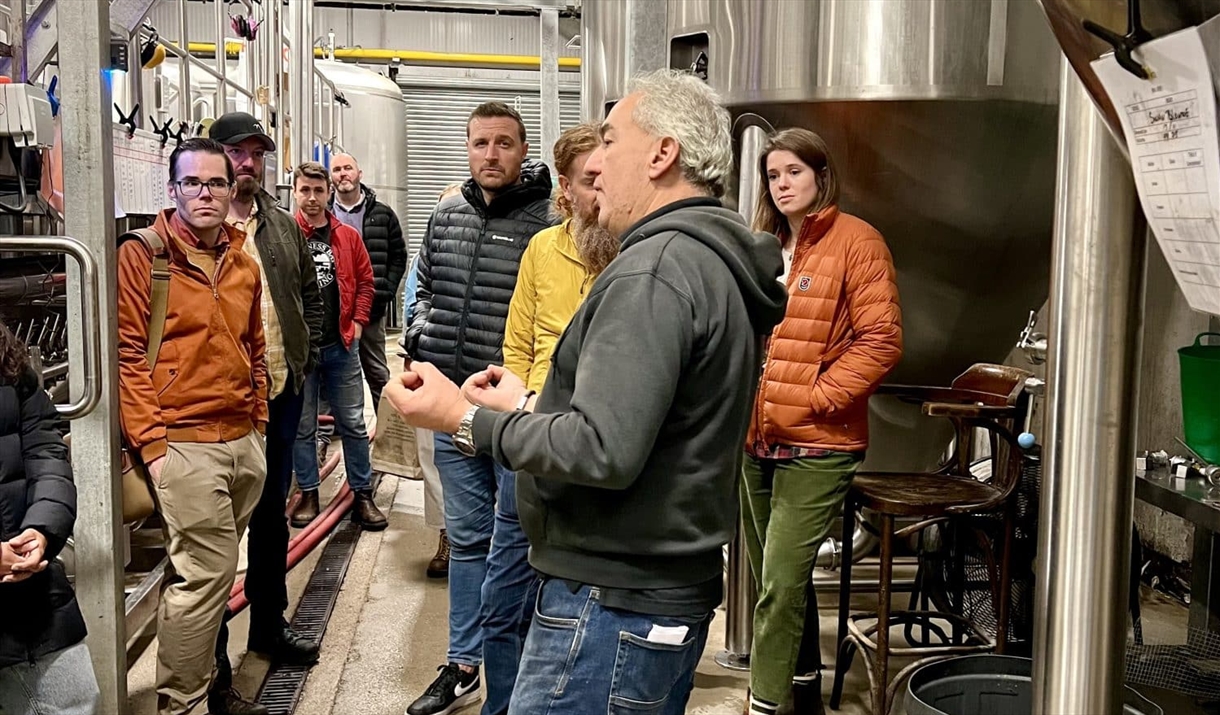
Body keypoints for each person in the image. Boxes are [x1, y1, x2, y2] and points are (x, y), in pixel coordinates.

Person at [385, 69, 789, 715]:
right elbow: (649, 422)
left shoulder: (656, 269)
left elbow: (602, 449)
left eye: (609, 140)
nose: (594, 164)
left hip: (612, 601)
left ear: (663, 154)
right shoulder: (706, 258)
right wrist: (523, 406)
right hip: (650, 586)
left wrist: (462, 417)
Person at [742, 128, 903, 715]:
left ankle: (762, 706)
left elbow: (881, 340)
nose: (782, 185)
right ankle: (803, 692)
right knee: (775, 583)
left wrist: (817, 397)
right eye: (773, 175)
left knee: (781, 586)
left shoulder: (858, 242)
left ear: (821, 175)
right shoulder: (760, 245)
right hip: (755, 440)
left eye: (793, 173)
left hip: (819, 443)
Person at [400, 103, 554, 715]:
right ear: (466, 148)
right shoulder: (446, 214)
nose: (491, 154)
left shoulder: (546, 224)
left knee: (515, 547)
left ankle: (515, 676)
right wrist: (420, 332)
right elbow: (425, 285)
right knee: (467, 541)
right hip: (449, 405)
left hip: (510, 411)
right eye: (480, 143)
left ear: (522, 151)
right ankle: (463, 666)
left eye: (504, 143)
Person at [116, 137, 268, 715]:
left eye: (217, 183)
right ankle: (179, 703)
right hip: (181, 441)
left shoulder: (243, 262)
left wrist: (258, 420)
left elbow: (255, 347)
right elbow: (128, 356)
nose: (205, 193)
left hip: (242, 440)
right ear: (173, 189)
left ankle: (205, 688)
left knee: (211, 573)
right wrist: (154, 448)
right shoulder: (144, 255)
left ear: (233, 191)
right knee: (206, 576)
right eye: (193, 183)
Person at [210, 111, 324, 680]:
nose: (247, 162)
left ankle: (269, 627)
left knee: (271, 520)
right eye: (236, 152)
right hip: (220, 406)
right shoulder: (195, 228)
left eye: (256, 153)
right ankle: (209, 660)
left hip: (279, 392)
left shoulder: (280, 225)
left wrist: (306, 354)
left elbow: (309, 291)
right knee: (216, 531)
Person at [0, 321, 100, 715]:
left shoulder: (8, 362)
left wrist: (40, 529)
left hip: (30, 589)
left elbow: (46, 453)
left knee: (74, 701)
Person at [290, 161, 387, 531]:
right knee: (303, 426)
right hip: (303, 353)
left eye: (319, 191)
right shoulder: (287, 236)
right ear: (296, 192)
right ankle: (309, 492)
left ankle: (362, 494)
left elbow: (365, 280)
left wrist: (359, 323)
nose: (312, 198)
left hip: (341, 346)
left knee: (353, 423)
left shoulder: (347, 237)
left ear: (328, 192)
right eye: (305, 191)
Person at [501, 121, 619, 393]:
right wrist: (520, 409)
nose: (604, 192)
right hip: (541, 406)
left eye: (611, 178)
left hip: (603, 406)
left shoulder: (636, 250)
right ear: (566, 187)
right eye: (590, 182)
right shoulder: (542, 247)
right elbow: (517, 347)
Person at [328, 152, 408, 411]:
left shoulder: (382, 215)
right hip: (332, 312)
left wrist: (385, 290)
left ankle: (387, 428)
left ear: (359, 174)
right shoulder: (324, 216)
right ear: (332, 178)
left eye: (348, 168)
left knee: (376, 371)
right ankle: (334, 431)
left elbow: (399, 255)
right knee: (331, 373)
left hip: (371, 309)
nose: (343, 174)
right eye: (337, 169)